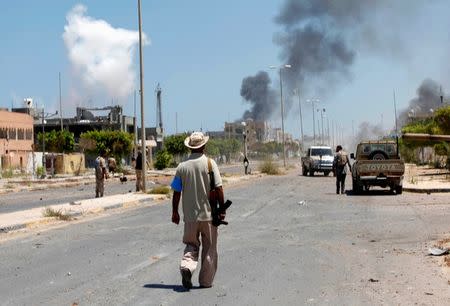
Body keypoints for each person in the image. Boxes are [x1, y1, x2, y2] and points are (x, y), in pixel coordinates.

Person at [170, 131, 225, 290]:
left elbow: (176, 192)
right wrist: (222, 210)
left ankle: (187, 267)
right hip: (208, 216)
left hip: (190, 217)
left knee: (191, 245)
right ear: (204, 146)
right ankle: (206, 281)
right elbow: (219, 189)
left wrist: (175, 212)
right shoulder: (210, 163)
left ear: (190, 148)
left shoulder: (182, 167)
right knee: (209, 248)